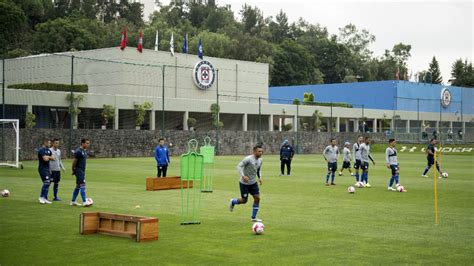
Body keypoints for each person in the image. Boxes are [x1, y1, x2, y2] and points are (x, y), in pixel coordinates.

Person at [229, 145, 264, 222]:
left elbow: (258, 170)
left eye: (262, 151)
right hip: (244, 183)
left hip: (253, 183)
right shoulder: (248, 159)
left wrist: (260, 177)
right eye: (259, 151)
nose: (261, 153)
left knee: (257, 198)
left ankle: (253, 217)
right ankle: (233, 202)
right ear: (254, 151)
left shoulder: (260, 160)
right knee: (244, 200)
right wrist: (243, 176)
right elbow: (239, 166)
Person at [71, 138, 92, 207]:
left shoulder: (84, 151)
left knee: (78, 186)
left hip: (82, 171)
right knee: (83, 185)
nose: (88, 144)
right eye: (87, 143)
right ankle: (84, 201)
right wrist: (73, 170)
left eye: (88, 143)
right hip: (78, 170)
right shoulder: (78, 151)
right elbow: (74, 161)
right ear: (82, 143)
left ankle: (72, 201)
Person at [38, 138, 55, 204]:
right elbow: (45, 159)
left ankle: (45, 198)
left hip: (47, 169)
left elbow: (53, 158)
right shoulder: (41, 150)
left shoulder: (48, 150)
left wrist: (48, 157)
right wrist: (49, 157)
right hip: (42, 168)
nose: (50, 144)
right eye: (49, 143)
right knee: (46, 182)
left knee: (48, 183)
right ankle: (41, 197)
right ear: (45, 143)